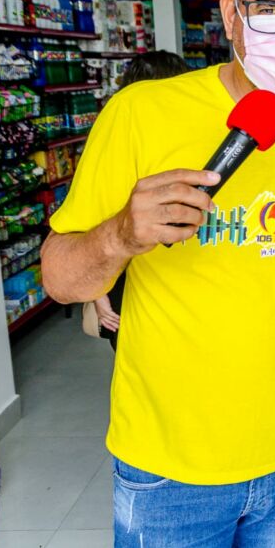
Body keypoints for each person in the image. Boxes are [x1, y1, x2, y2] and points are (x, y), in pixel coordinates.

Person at [41, 0, 275, 548]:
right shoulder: (142, 113)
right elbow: (57, 277)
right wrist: (120, 236)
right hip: (167, 470)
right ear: (230, 11)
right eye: (270, 9)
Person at [83, 50, 190, 350]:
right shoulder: (120, 141)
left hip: (156, 280)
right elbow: (93, 223)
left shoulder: (183, 138)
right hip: (131, 279)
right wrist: (99, 292)